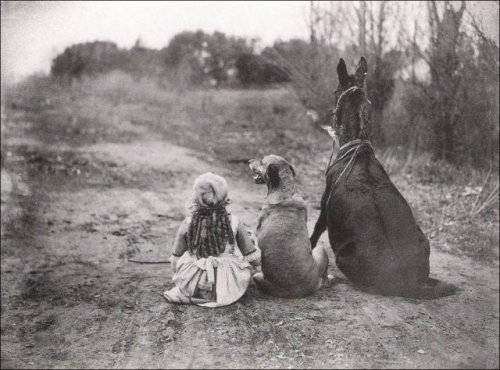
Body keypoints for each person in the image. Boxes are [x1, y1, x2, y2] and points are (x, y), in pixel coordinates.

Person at [164, 172, 261, 307]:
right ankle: (218, 294)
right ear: (224, 197)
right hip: (227, 287)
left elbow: (175, 260)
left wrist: (182, 273)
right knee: (249, 246)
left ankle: (195, 293)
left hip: (193, 282)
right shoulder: (234, 222)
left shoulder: (188, 223)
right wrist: (253, 245)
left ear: (195, 198)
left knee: (186, 264)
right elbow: (254, 259)